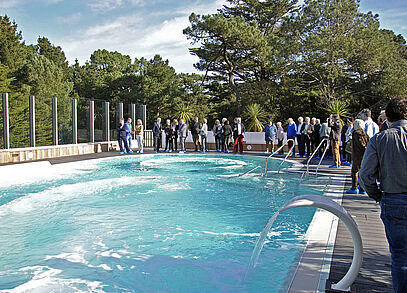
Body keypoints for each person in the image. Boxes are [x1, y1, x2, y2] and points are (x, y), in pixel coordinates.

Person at [359, 97, 407, 293]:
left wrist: (378, 195)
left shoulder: (380, 139)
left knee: (400, 255)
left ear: (387, 118)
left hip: (393, 199)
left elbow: (365, 176)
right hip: (392, 198)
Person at [345, 119, 369, 194]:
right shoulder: (365, 133)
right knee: (362, 171)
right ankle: (362, 188)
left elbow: (361, 144)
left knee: (355, 171)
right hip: (364, 155)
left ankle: (354, 187)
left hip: (358, 155)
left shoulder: (356, 133)